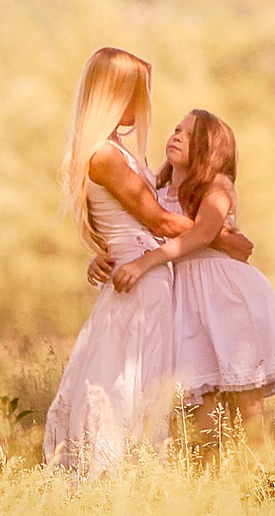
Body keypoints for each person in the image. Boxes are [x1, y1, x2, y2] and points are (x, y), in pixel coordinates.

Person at [41, 49, 251, 472]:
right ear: (117, 94)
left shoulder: (117, 152)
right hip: (140, 280)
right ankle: (114, 476)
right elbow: (156, 220)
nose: (144, 104)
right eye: (139, 93)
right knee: (123, 385)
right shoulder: (104, 155)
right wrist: (221, 237)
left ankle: (132, 479)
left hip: (146, 276)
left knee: (135, 384)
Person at [110, 109, 275, 464]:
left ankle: (271, 484)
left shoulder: (217, 186)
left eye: (190, 134)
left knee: (249, 418)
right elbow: (132, 229)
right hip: (184, 302)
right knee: (201, 422)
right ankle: (210, 491)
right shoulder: (157, 192)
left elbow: (203, 233)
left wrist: (144, 263)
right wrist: (104, 254)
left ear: (210, 148)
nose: (177, 136)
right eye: (176, 129)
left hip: (223, 295)